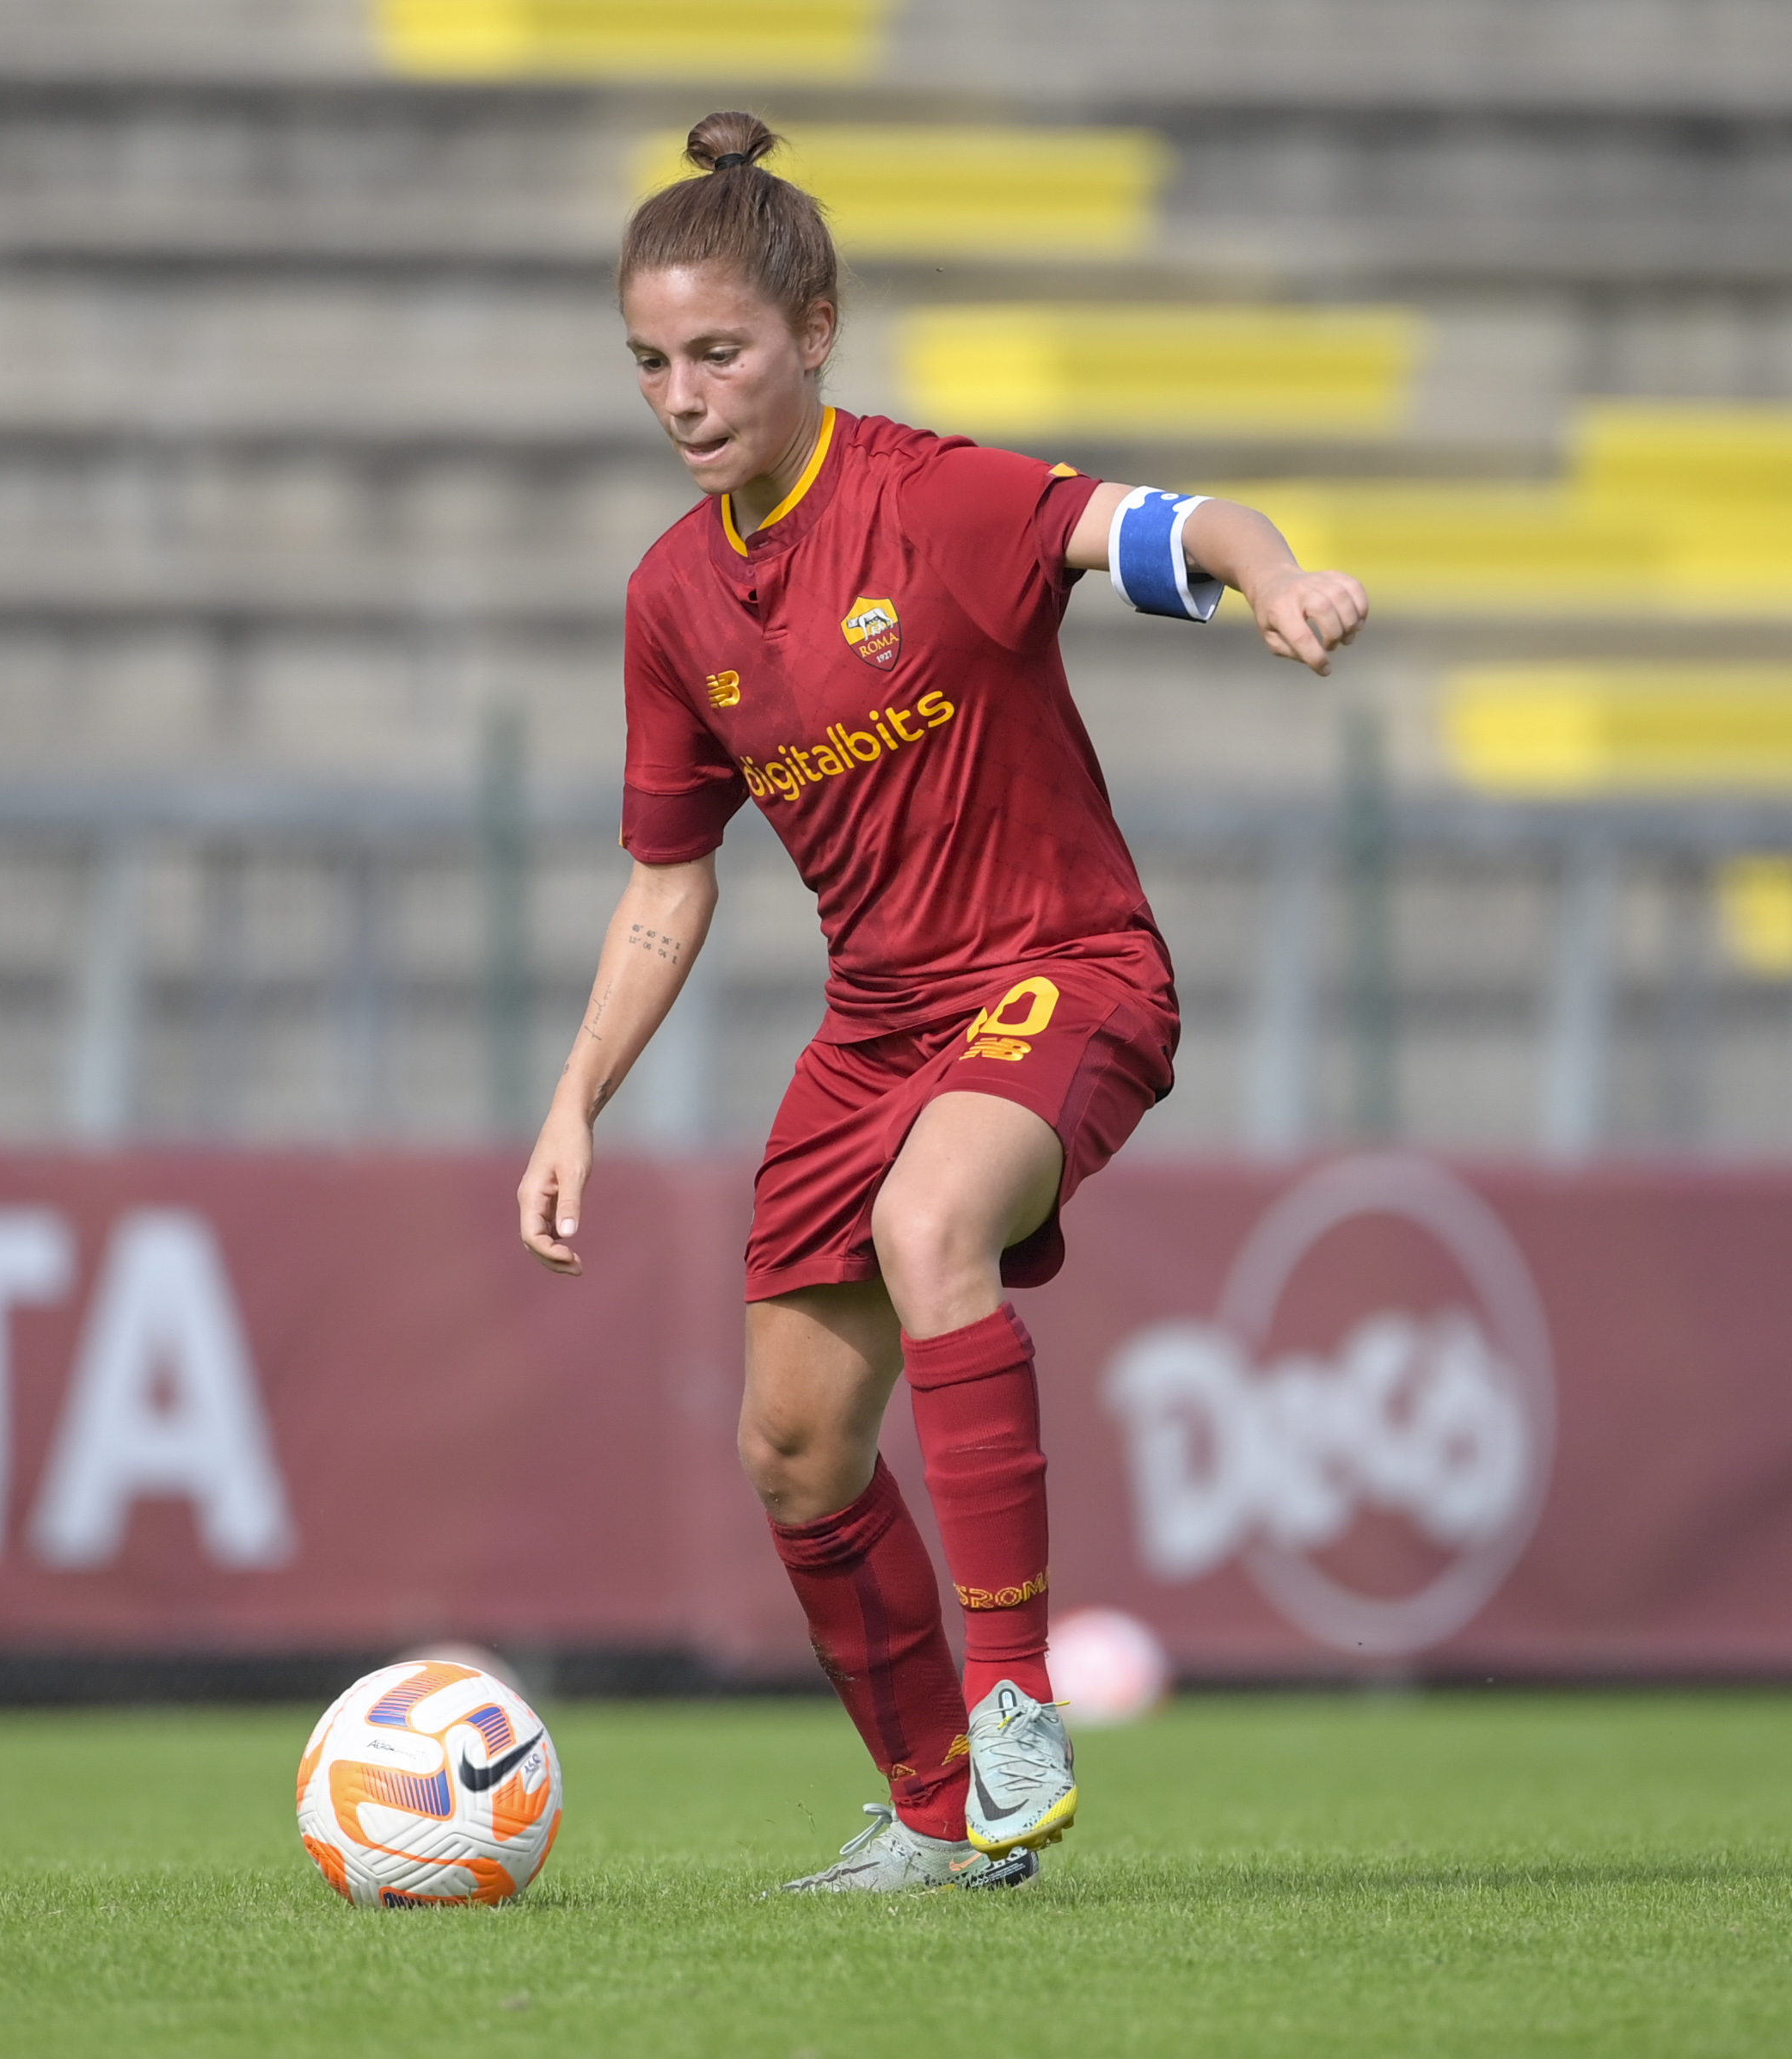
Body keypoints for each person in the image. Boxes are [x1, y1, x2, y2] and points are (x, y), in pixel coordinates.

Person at [517, 112, 1369, 1893]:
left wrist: (1272, 574)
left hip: (1066, 971)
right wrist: (573, 1097)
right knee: (789, 1447)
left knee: (929, 1220)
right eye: (649, 364)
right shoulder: (671, 601)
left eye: (717, 354)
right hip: (878, 1025)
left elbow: (1176, 520)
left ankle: (1013, 1709)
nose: (680, 398)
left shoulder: (942, 500)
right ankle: (939, 1820)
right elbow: (669, 885)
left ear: (812, 330)